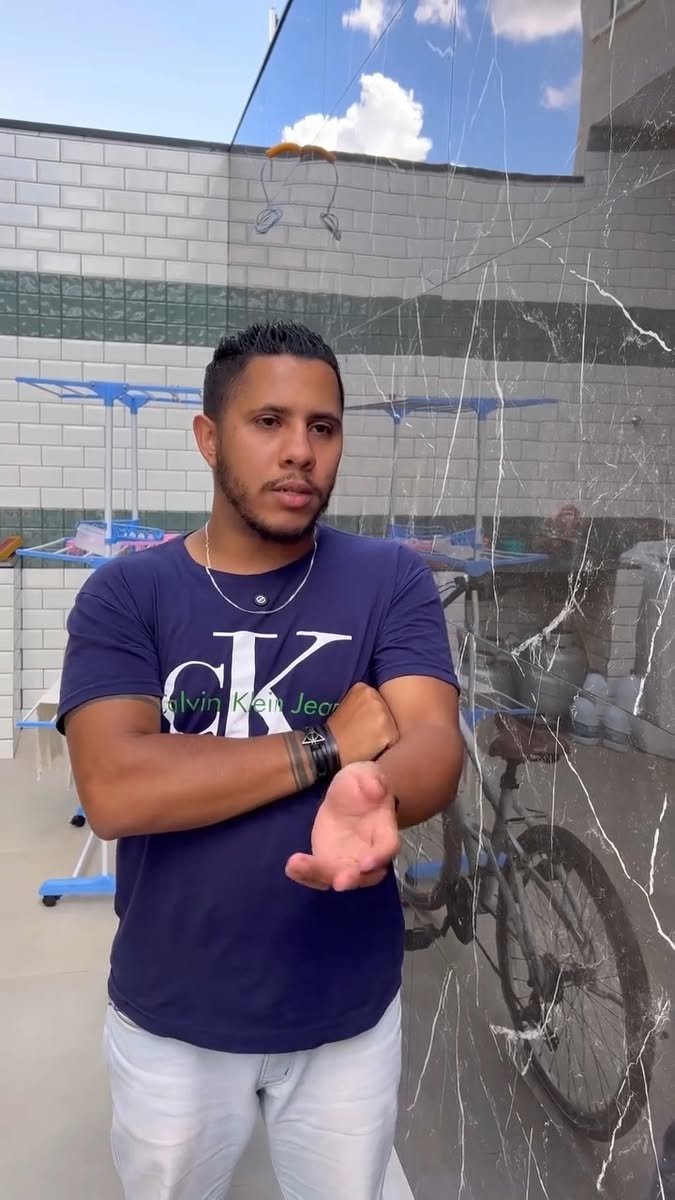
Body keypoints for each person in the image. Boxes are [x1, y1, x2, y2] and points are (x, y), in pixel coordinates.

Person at [57, 320, 464, 1200]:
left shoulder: (389, 579)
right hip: (175, 1015)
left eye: (323, 427)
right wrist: (327, 746)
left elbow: (433, 742)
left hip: (346, 1012)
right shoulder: (129, 592)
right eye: (268, 421)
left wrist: (376, 785)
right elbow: (117, 788)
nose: (300, 452)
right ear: (209, 438)